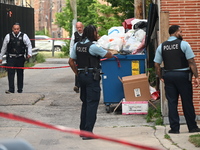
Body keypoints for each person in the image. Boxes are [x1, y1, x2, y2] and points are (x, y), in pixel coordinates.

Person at [69, 25, 113, 140]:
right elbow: (108, 55)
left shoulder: (77, 45)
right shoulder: (93, 47)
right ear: (91, 33)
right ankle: (88, 132)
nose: (97, 34)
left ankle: (83, 131)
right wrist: (109, 51)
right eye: (96, 32)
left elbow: (71, 61)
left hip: (82, 76)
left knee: (85, 103)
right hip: (91, 77)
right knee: (92, 103)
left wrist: (77, 73)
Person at [154, 25, 200, 134]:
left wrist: (160, 76)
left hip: (169, 76)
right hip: (183, 75)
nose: (182, 34)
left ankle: (174, 128)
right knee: (187, 101)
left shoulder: (162, 46)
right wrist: (196, 77)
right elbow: (191, 62)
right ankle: (192, 127)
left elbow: (156, 64)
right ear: (175, 32)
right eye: (181, 31)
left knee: (172, 102)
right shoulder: (184, 44)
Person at [0, 23, 32, 94]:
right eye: (15, 29)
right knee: (11, 74)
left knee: (20, 73)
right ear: (12, 29)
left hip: (20, 58)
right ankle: (11, 89)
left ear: (19, 29)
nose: (16, 30)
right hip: (11, 58)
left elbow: (29, 45)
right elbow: (4, 48)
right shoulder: (8, 36)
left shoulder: (24, 36)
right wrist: (1, 57)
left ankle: (20, 89)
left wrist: (29, 53)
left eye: (17, 29)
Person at [70, 22, 84, 93]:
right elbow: (72, 45)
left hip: (85, 55)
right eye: (78, 28)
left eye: (80, 27)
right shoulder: (74, 35)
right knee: (77, 70)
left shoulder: (86, 34)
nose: (79, 29)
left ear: (82, 27)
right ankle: (77, 86)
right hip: (77, 55)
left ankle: (83, 86)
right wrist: (71, 55)